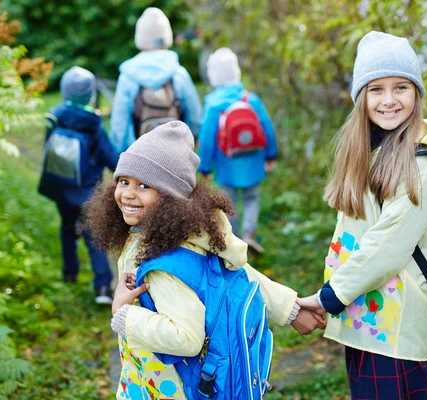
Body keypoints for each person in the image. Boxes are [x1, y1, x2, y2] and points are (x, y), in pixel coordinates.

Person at [80, 121, 326, 399]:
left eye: (144, 185)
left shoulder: (162, 265)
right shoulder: (195, 236)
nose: (128, 193)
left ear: (170, 199)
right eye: (123, 181)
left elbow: (187, 338)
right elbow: (239, 274)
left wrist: (122, 313)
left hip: (165, 385)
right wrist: (290, 310)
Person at [297, 31, 427, 399]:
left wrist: (329, 296)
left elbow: (388, 245)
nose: (389, 100)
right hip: (366, 316)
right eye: (376, 89)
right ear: (361, 98)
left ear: (416, 94)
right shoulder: (370, 152)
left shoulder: (422, 165)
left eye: (401, 87)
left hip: (397, 325)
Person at [38, 66, 118, 305]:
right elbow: (110, 158)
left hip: (62, 187)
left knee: (67, 229)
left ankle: (69, 273)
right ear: (90, 94)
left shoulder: (55, 117)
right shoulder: (93, 125)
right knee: (94, 235)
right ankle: (103, 287)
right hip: (89, 192)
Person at [198, 47, 277, 253]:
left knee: (229, 201)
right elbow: (267, 127)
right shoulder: (250, 99)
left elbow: (206, 139)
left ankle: (234, 241)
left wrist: (205, 167)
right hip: (253, 161)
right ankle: (250, 233)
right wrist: (270, 155)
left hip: (226, 164)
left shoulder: (213, 104)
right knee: (251, 197)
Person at [109, 7, 202, 152]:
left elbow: (119, 127)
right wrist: (193, 139)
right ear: (167, 36)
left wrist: (121, 155)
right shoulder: (178, 73)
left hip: (139, 157)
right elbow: (195, 116)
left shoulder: (128, 77)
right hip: (175, 154)